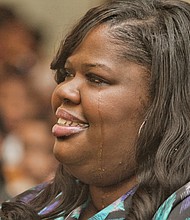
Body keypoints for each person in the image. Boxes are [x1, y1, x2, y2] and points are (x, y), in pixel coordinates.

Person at [0, 0, 190, 219]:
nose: (63, 90)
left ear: (163, 105)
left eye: (96, 78)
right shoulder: (29, 207)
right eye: (68, 74)